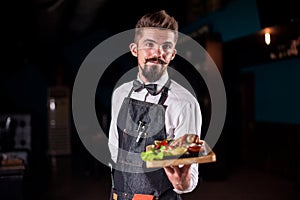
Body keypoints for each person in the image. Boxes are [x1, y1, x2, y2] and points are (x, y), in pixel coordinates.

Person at [108, 10, 202, 200]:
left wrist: (182, 183)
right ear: (135, 49)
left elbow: (190, 175)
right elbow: (114, 149)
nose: (157, 53)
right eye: (149, 44)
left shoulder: (185, 103)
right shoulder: (120, 94)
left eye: (166, 46)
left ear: (173, 54)